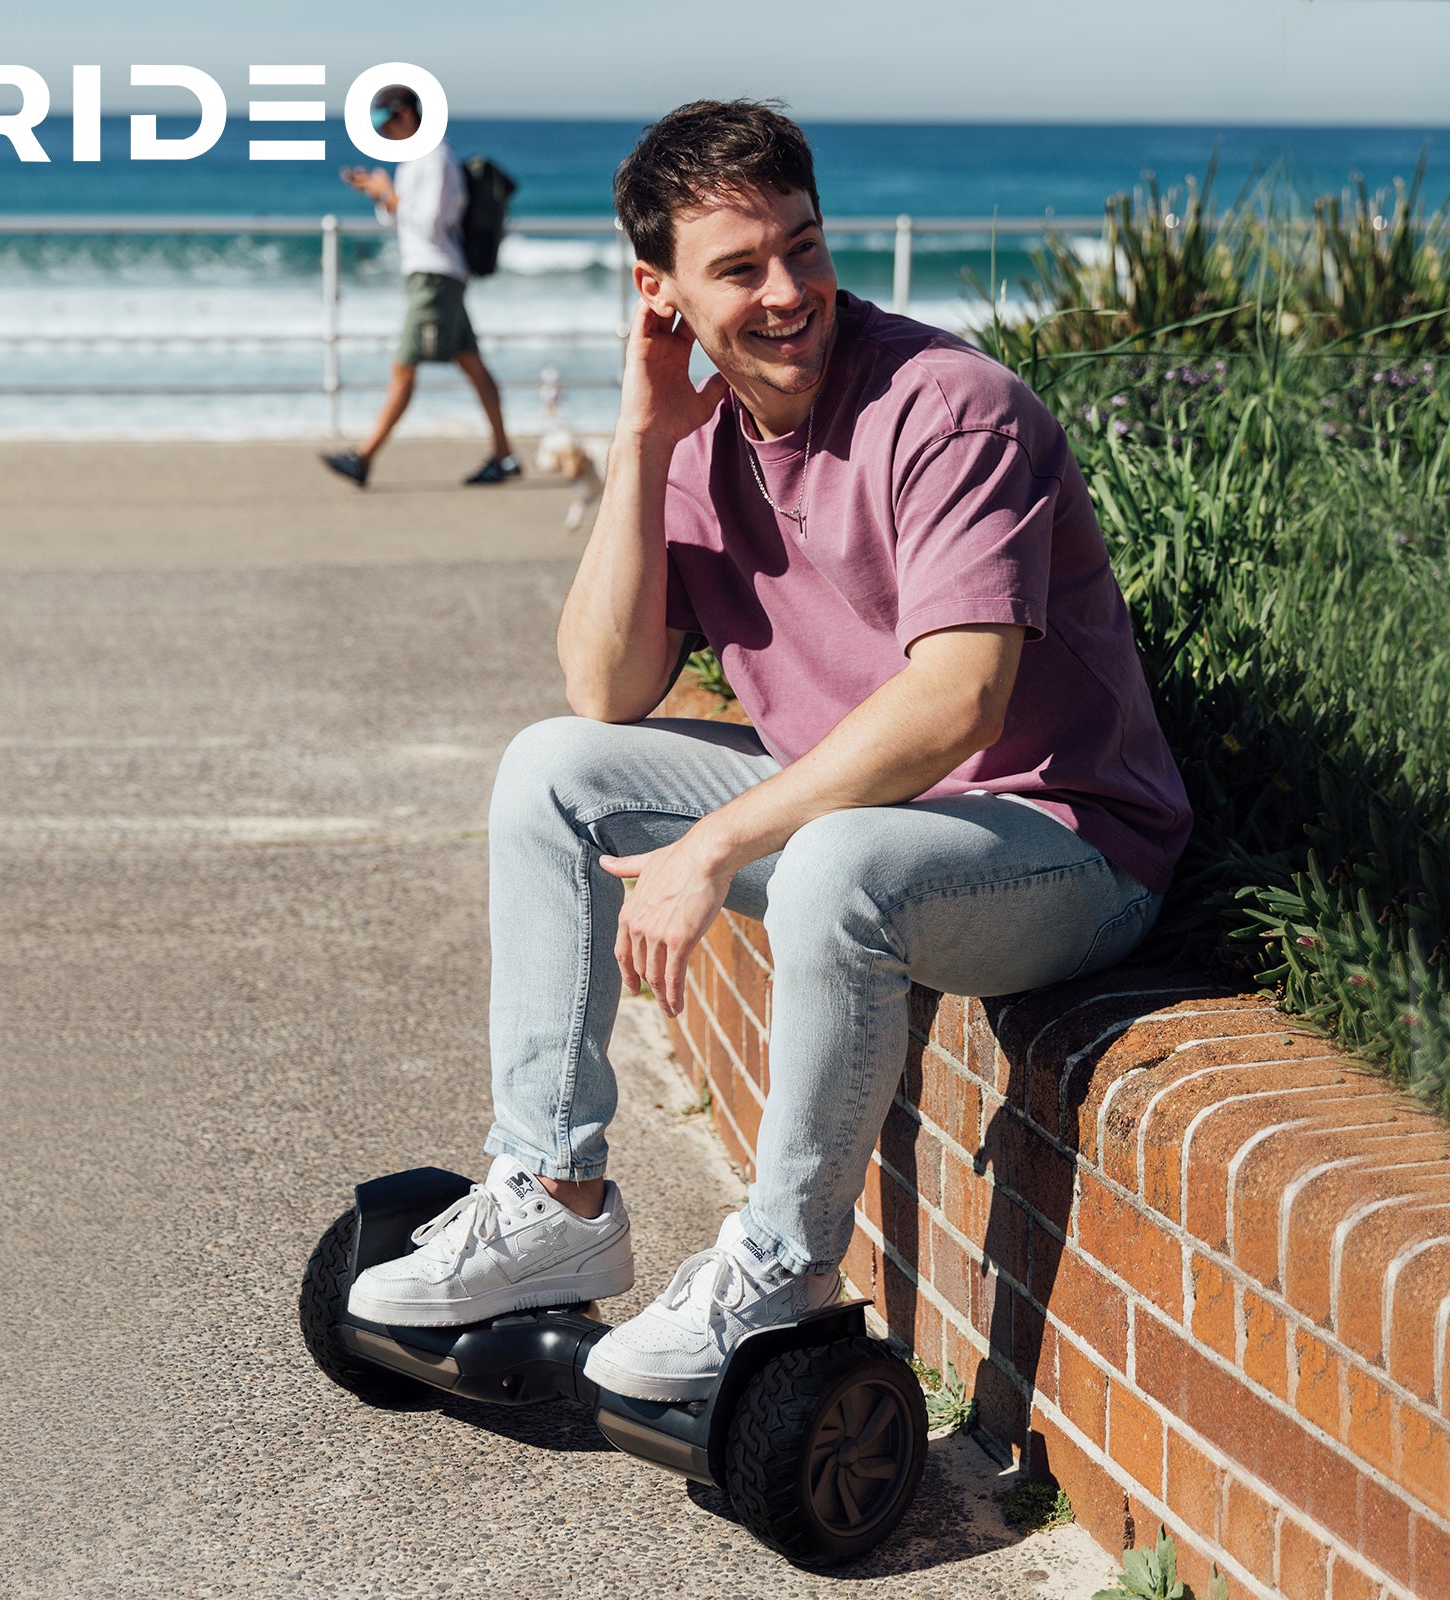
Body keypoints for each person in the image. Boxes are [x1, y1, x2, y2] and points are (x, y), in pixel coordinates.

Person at [348, 101, 1193, 1403]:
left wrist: (720, 841)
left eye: (803, 247)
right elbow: (605, 686)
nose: (788, 292)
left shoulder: (952, 409)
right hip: (862, 822)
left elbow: (961, 701)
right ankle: (554, 1197)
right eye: (739, 269)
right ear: (662, 293)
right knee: (551, 770)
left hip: (1063, 842)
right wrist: (641, 438)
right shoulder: (696, 444)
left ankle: (782, 1273)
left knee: (837, 865)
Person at [321, 84, 518, 489]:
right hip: (434, 274)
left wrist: (388, 195)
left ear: (406, 114)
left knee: (403, 367)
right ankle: (504, 456)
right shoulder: (416, 160)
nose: (382, 132)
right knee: (472, 365)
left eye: (383, 122)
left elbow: (428, 224)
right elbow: (401, 219)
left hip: (435, 276)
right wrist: (382, 196)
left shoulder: (433, 158)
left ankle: (363, 457)